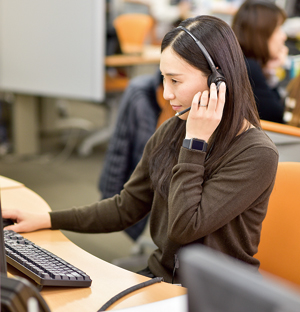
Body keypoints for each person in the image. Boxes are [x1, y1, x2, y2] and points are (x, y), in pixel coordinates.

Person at [3, 15, 279, 284]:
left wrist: (195, 144)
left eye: (175, 80)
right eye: (163, 79)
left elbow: (185, 227)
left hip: (215, 294)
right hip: (162, 279)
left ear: (217, 82)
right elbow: (125, 208)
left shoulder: (255, 154)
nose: (166, 93)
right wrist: (47, 219)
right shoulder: (172, 131)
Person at [99, 69, 173, 241]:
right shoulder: (140, 94)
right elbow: (120, 148)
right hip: (147, 184)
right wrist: (111, 199)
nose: (170, 94)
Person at [232, 0, 288, 124]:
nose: (283, 36)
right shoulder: (248, 67)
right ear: (261, 32)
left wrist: (268, 71)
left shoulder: (241, 61)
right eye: (278, 29)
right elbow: (275, 115)